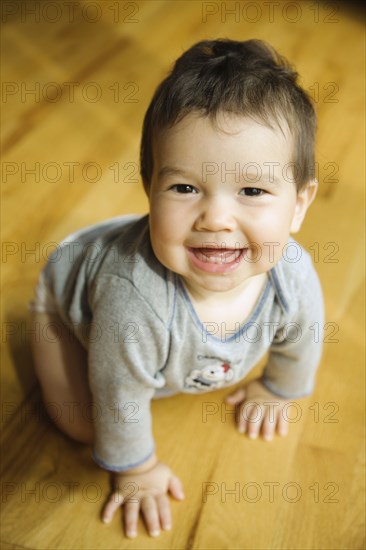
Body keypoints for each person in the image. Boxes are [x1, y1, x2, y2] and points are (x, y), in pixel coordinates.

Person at [28, 38, 324, 539]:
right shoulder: (133, 300)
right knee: (83, 425)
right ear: (149, 188)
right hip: (66, 298)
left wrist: (280, 389)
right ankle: (61, 297)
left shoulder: (290, 273)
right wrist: (137, 470)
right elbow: (119, 396)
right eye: (184, 188)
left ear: (298, 204)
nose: (216, 218)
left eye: (252, 191)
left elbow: (304, 334)